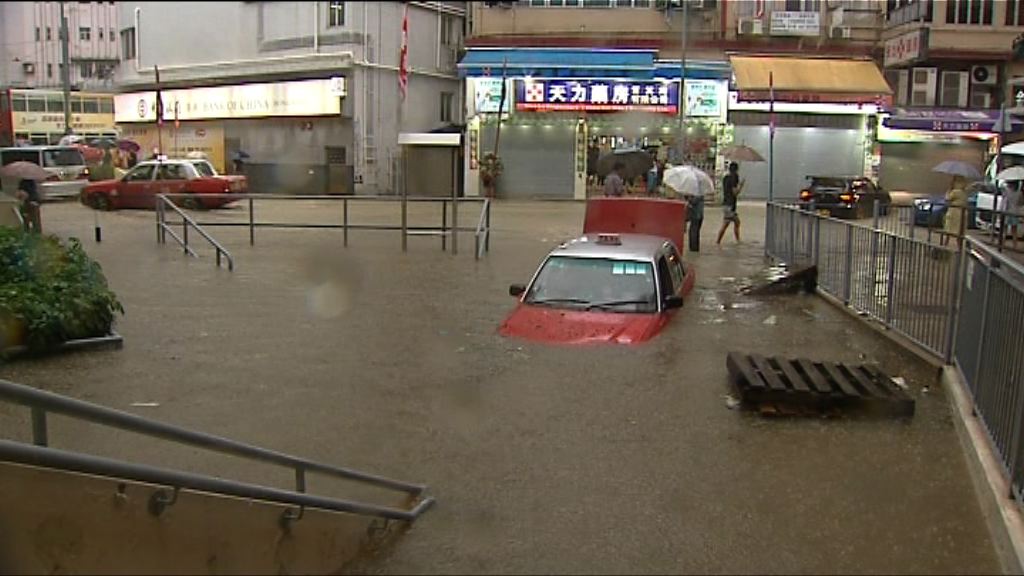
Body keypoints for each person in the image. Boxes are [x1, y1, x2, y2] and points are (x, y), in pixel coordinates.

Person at [716, 162, 744, 245]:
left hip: (726, 203)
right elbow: (735, 192)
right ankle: (719, 241)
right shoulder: (734, 178)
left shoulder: (725, 178)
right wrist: (741, 186)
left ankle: (736, 240)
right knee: (729, 223)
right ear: (736, 170)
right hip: (730, 205)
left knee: (734, 222)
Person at [942, 175, 968, 247]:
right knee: (960, 232)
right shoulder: (964, 192)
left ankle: (944, 245)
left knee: (949, 230)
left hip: (954, 213)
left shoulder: (955, 192)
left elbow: (947, 198)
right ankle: (960, 247)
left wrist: (948, 190)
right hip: (962, 214)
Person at [1004, 179, 1023, 251]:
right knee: (1014, 230)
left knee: (1004, 229)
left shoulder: (1006, 191)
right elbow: (1021, 203)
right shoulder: (1019, 193)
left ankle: (1002, 243)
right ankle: (1014, 246)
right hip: (1015, 212)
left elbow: (1005, 201)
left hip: (1007, 211)